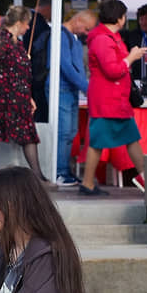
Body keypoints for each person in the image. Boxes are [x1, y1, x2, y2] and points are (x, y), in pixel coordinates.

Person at [80, 0, 147, 195]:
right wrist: (132, 57)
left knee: (130, 138)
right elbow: (112, 70)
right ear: (120, 18)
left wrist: (132, 56)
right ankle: (87, 184)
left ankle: (146, 179)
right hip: (108, 99)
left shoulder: (107, 37)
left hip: (114, 99)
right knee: (98, 142)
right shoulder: (104, 39)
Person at [0, 6, 46, 191]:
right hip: (1, 96)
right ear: (19, 23)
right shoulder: (1, 41)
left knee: (28, 136)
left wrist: (28, 96)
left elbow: (21, 73)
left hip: (17, 97)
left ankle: (38, 176)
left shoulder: (16, 42)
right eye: (27, 24)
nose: (28, 28)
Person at [52, 10, 97, 187]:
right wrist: (87, 87)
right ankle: (60, 171)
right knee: (64, 132)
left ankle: (64, 170)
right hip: (63, 89)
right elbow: (67, 67)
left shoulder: (70, 38)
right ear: (78, 21)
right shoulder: (62, 36)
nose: (86, 33)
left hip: (69, 89)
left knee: (70, 132)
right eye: (86, 29)